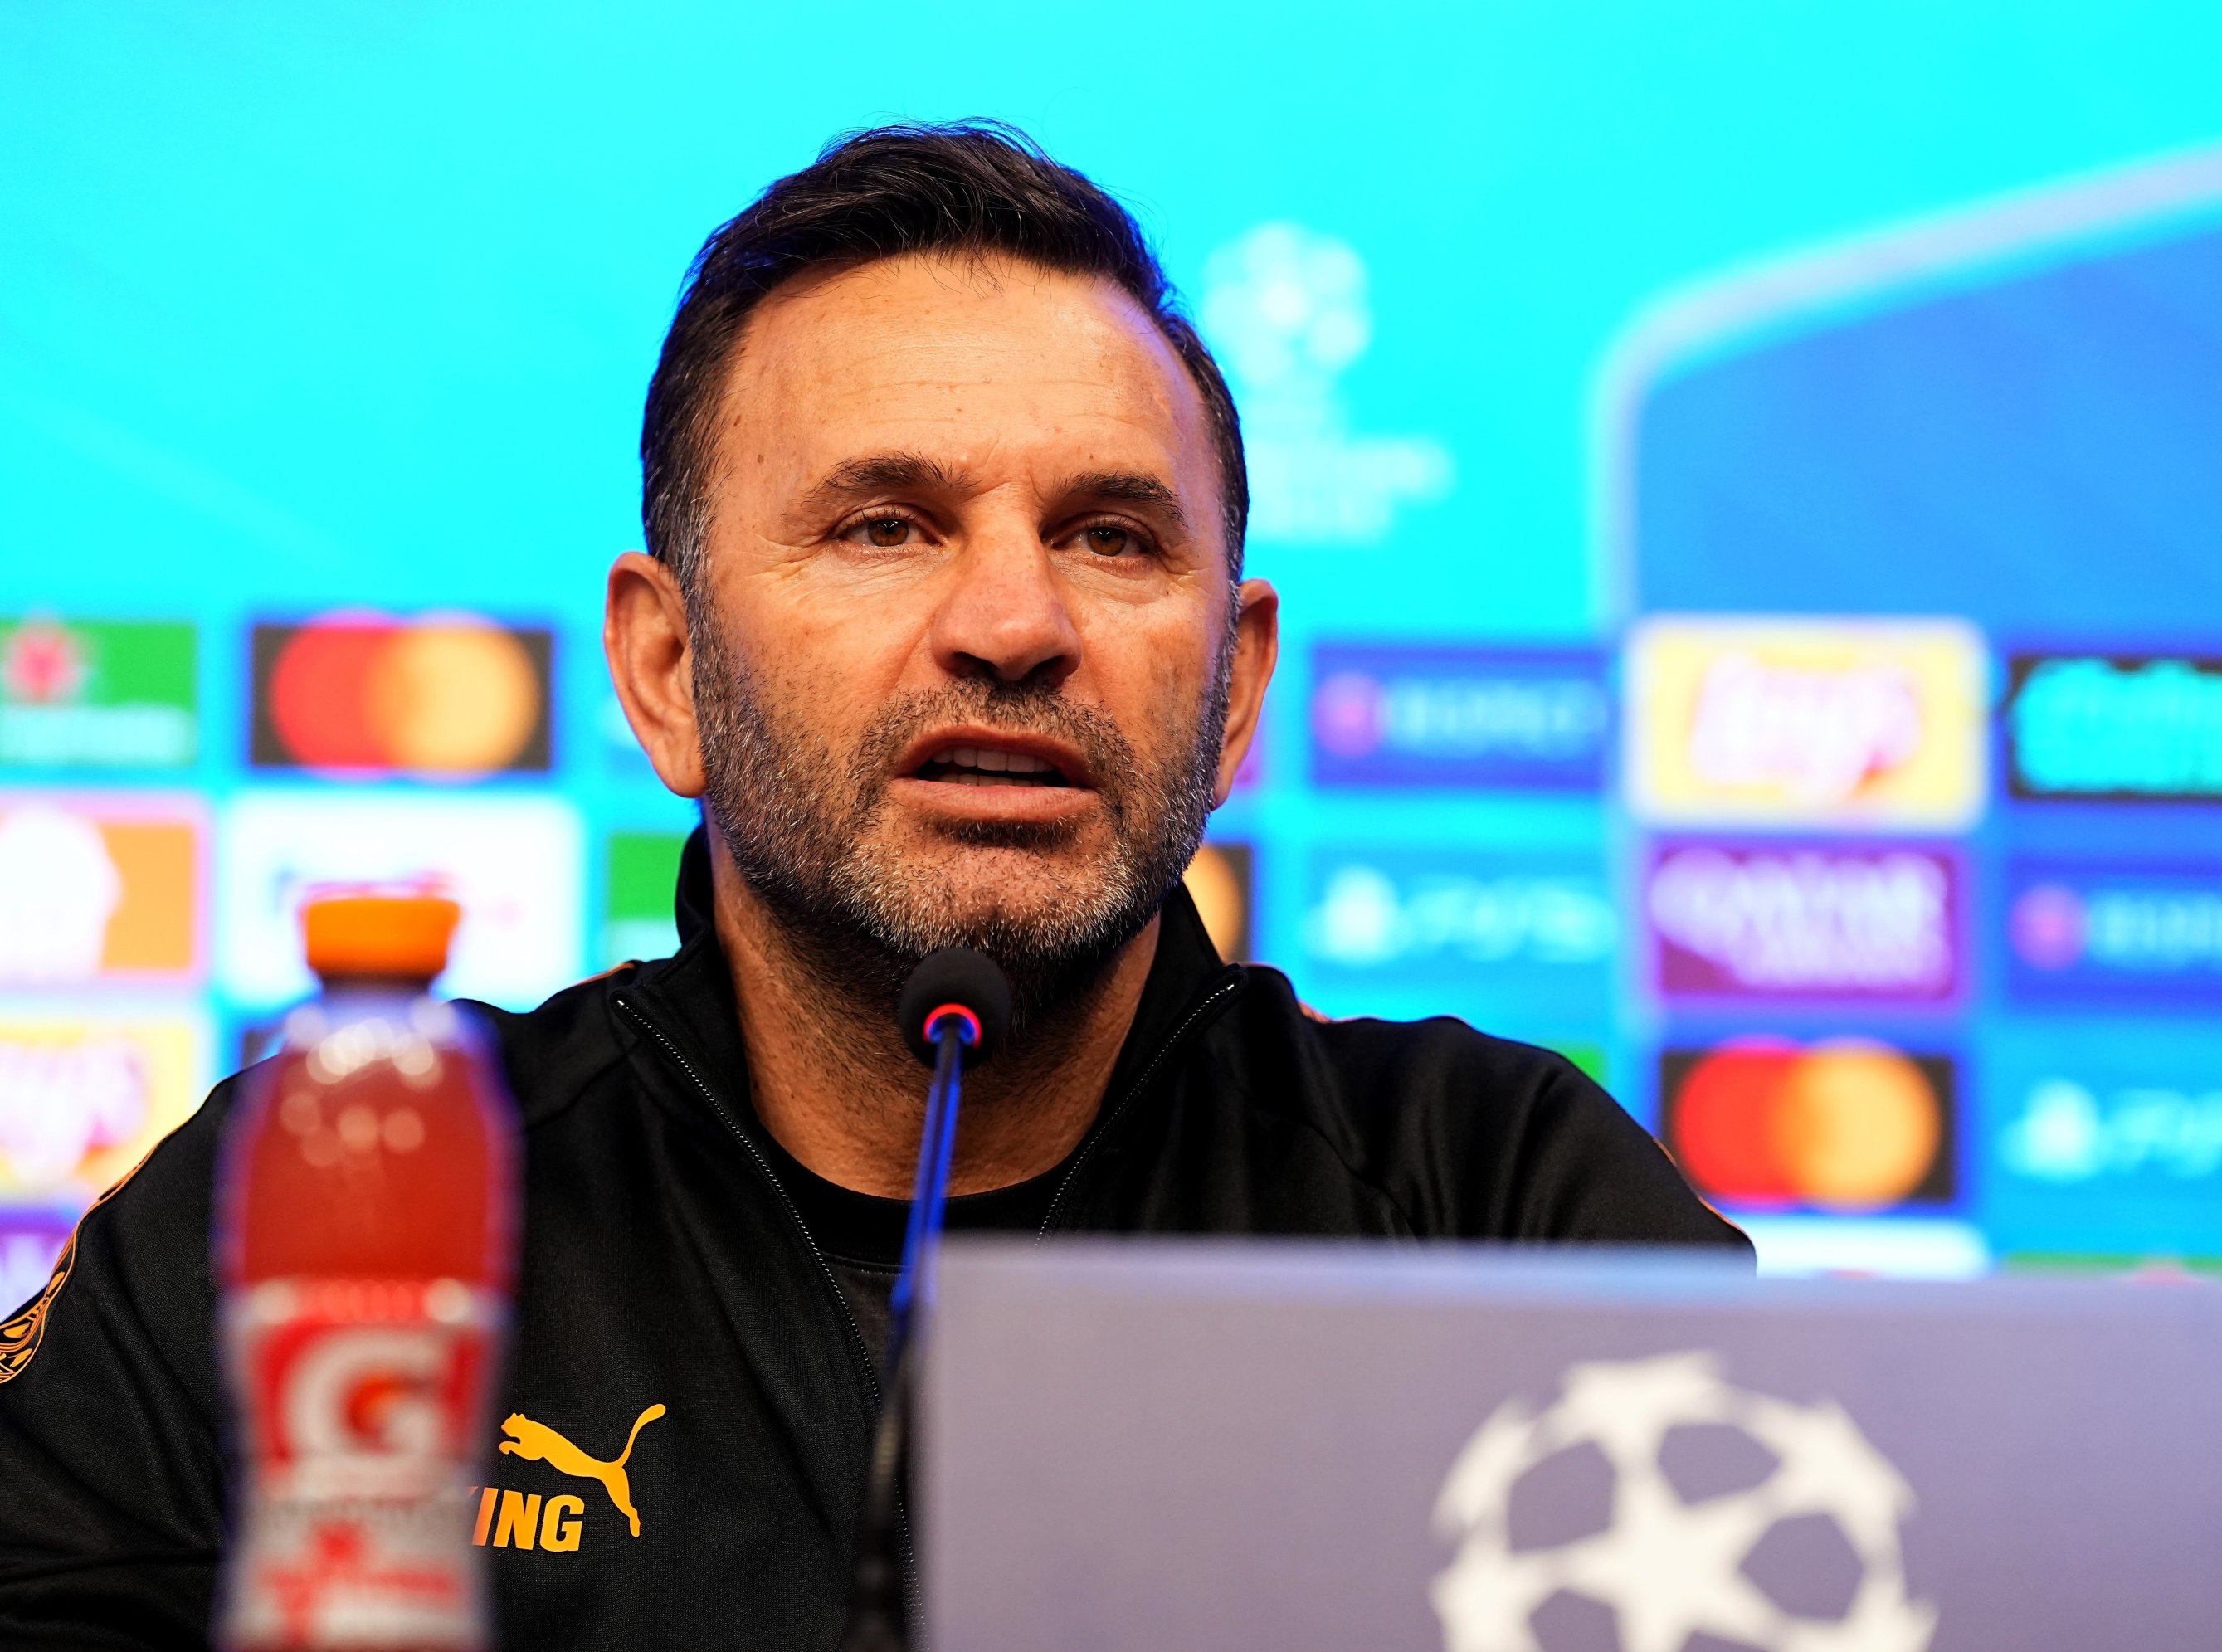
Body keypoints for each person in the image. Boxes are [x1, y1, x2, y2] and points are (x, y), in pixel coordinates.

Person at [0, 122, 1747, 1649]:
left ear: (1234, 694)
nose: (1013, 624)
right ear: (668, 672)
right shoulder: (333, 1198)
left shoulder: (1495, 1203)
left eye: (1111, 537)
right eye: (884, 526)